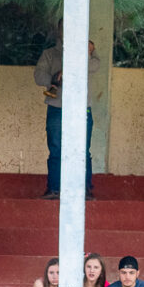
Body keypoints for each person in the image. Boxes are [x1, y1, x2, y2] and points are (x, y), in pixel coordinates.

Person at [34, 37, 101, 200]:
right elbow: (38, 76)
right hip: (58, 106)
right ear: (59, 31)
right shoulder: (50, 54)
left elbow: (95, 66)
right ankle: (54, 188)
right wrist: (54, 78)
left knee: (83, 149)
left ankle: (84, 189)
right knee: (56, 148)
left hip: (82, 107)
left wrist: (86, 52)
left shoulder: (87, 50)